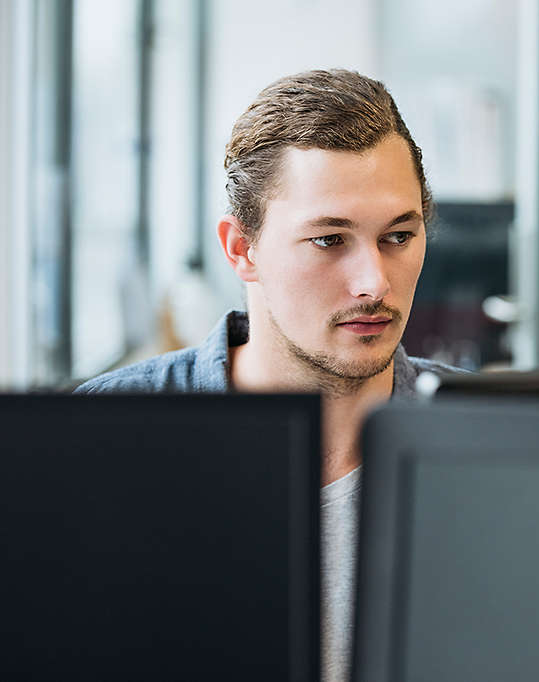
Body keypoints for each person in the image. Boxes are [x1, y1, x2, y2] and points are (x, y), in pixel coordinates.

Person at [75, 69, 463, 682]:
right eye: (330, 239)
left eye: (398, 236)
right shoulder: (99, 440)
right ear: (241, 249)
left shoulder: (484, 440)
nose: (374, 283)